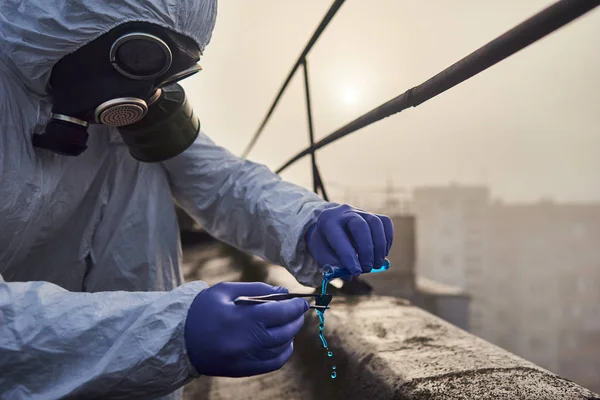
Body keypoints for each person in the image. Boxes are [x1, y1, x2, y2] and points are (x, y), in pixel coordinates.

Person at [0, 1, 394, 399]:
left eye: (170, 72)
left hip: (124, 363)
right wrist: (169, 333)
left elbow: (221, 181)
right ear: (73, 17)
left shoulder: (124, 101)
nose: (147, 92)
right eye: (141, 58)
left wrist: (306, 223)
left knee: (154, 155)